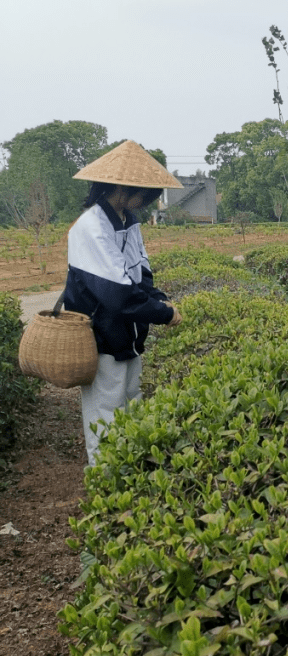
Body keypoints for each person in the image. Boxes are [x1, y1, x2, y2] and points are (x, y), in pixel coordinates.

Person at [63, 140, 183, 464]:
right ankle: (105, 488)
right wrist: (162, 313)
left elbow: (140, 274)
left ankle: (130, 483)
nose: (144, 201)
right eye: (141, 193)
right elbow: (117, 293)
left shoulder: (127, 221)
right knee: (105, 419)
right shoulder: (91, 228)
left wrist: (161, 301)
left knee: (132, 406)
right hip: (102, 339)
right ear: (120, 186)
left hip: (130, 337)